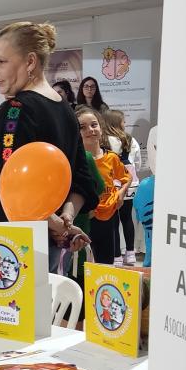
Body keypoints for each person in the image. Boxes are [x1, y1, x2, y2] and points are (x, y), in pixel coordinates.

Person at [0, 21, 96, 264]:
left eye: (1, 61)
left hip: (9, 251)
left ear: (30, 62)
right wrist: (65, 219)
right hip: (43, 248)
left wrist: (59, 224)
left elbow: (11, 185)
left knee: (10, 304)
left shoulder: (17, 109)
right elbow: (81, 179)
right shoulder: (66, 110)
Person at [76, 106, 130, 265]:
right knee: (83, 264)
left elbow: (127, 178)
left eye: (94, 125)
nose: (90, 130)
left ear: (101, 126)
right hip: (86, 219)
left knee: (105, 263)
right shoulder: (77, 160)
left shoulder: (112, 158)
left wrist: (121, 194)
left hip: (108, 218)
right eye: (82, 127)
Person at [104, 109, 140, 266]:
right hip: (130, 181)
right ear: (117, 122)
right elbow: (137, 161)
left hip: (113, 182)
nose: (125, 124)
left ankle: (116, 255)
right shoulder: (130, 140)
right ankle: (131, 254)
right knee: (127, 218)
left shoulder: (105, 140)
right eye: (123, 121)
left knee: (113, 220)